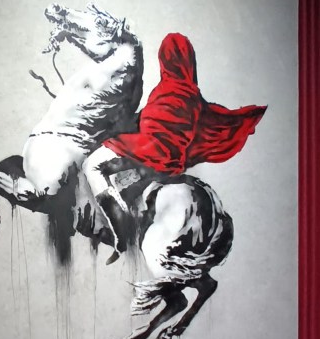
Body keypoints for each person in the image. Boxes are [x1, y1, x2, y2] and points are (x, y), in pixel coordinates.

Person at [82, 32, 266, 263]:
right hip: (169, 164)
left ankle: (119, 225)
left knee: (91, 166)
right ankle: (118, 224)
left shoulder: (166, 90)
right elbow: (195, 126)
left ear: (164, 60)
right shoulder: (196, 100)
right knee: (124, 185)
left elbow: (150, 125)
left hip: (146, 153)